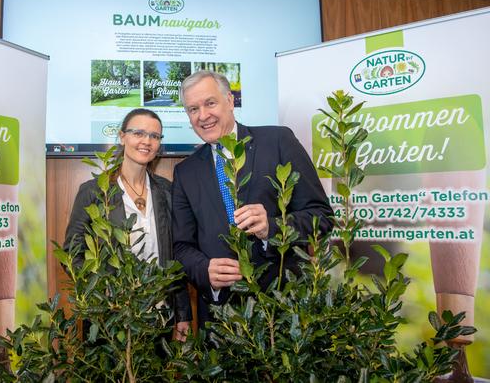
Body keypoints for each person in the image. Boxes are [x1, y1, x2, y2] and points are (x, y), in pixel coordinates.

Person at [172, 70, 333, 325]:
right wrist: (204, 270)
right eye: (193, 109)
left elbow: (321, 216)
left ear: (230, 100)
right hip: (221, 317)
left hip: (284, 309)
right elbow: (181, 245)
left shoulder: (278, 141)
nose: (203, 116)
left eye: (210, 103)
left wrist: (273, 227)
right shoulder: (185, 172)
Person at [64, 108, 192, 340]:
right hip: (110, 319)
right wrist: (105, 294)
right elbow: (72, 256)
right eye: (138, 133)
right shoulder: (93, 192)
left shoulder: (167, 191)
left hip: (159, 316)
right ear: (122, 136)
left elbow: (175, 258)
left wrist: (182, 313)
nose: (147, 141)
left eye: (155, 136)